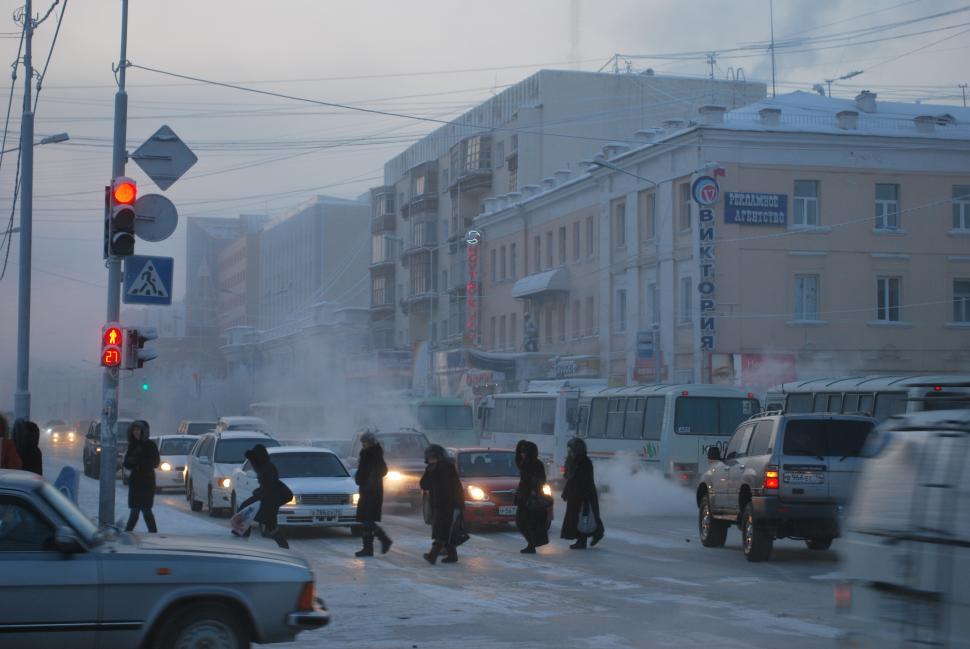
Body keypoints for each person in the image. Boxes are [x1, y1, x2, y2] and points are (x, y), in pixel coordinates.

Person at [237, 444, 292, 549]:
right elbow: (266, 486)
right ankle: (284, 548)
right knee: (272, 527)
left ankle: (242, 537)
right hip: (269, 501)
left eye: (253, 462)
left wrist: (259, 493)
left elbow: (269, 486)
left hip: (269, 502)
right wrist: (259, 491)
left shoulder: (267, 468)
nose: (253, 466)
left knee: (246, 510)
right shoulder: (265, 467)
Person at [419, 444, 463, 564]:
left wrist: (458, 504)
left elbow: (456, 487)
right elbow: (424, 485)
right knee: (445, 530)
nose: (431, 460)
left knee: (441, 531)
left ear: (439, 457)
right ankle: (452, 556)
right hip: (440, 504)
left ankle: (432, 555)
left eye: (433, 457)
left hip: (447, 505)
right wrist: (429, 471)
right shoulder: (436, 469)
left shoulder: (446, 468)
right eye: (430, 458)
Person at [560, 437, 604, 550]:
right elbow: (569, 478)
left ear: (577, 449)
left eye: (571, 449)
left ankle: (585, 539)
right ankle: (589, 537)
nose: (569, 451)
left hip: (584, 494)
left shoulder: (585, 462)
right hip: (575, 494)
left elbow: (584, 480)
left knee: (585, 517)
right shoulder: (573, 461)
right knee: (580, 517)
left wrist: (584, 497)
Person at [353, 431, 392, 557]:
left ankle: (384, 540)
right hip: (365, 491)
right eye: (362, 442)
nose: (363, 444)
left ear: (371, 442)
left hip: (373, 492)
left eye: (365, 442)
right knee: (365, 521)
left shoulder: (375, 453)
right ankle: (368, 548)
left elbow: (383, 470)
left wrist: (371, 481)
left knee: (368, 520)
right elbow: (362, 471)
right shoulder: (364, 453)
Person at [123, 420, 160, 533]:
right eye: (134, 430)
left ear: (143, 431)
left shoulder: (150, 445)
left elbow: (156, 463)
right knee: (134, 511)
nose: (136, 432)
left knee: (146, 510)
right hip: (135, 483)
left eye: (138, 430)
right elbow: (126, 464)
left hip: (147, 482)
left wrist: (141, 462)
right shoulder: (132, 445)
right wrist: (132, 461)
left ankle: (153, 533)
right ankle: (128, 532)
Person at [515, 440, 549, 554]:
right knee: (521, 521)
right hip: (524, 497)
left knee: (529, 522)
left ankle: (531, 544)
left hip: (532, 498)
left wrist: (533, 490)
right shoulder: (524, 462)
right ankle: (531, 543)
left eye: (524, 452)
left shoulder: (536, 464)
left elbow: (541, 480)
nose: (521, 454)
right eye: (521, 452)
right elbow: (517, 460)